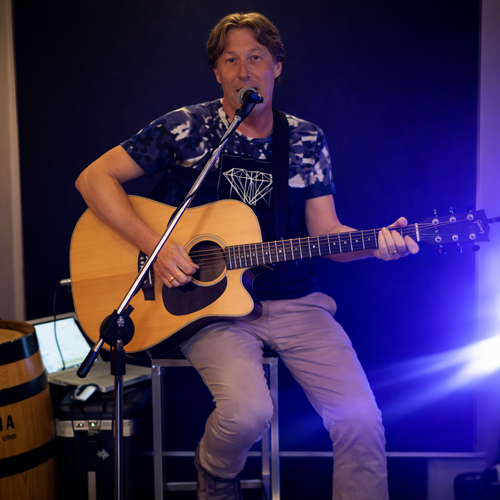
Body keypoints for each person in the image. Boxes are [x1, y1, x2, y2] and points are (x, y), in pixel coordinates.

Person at [76, 12, 419, 500]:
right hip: (207, 308)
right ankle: (215, 476)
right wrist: (157, 246)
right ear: (217, 72)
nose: (244, 71)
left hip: (296, 301)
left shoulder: (306, 139)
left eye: (256, 58)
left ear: (277, 66)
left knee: (361, 419)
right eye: (231, 60)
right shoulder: (187, 127)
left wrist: (376, 245)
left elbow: (327, 233)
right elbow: (93, 179)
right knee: (248, 412)